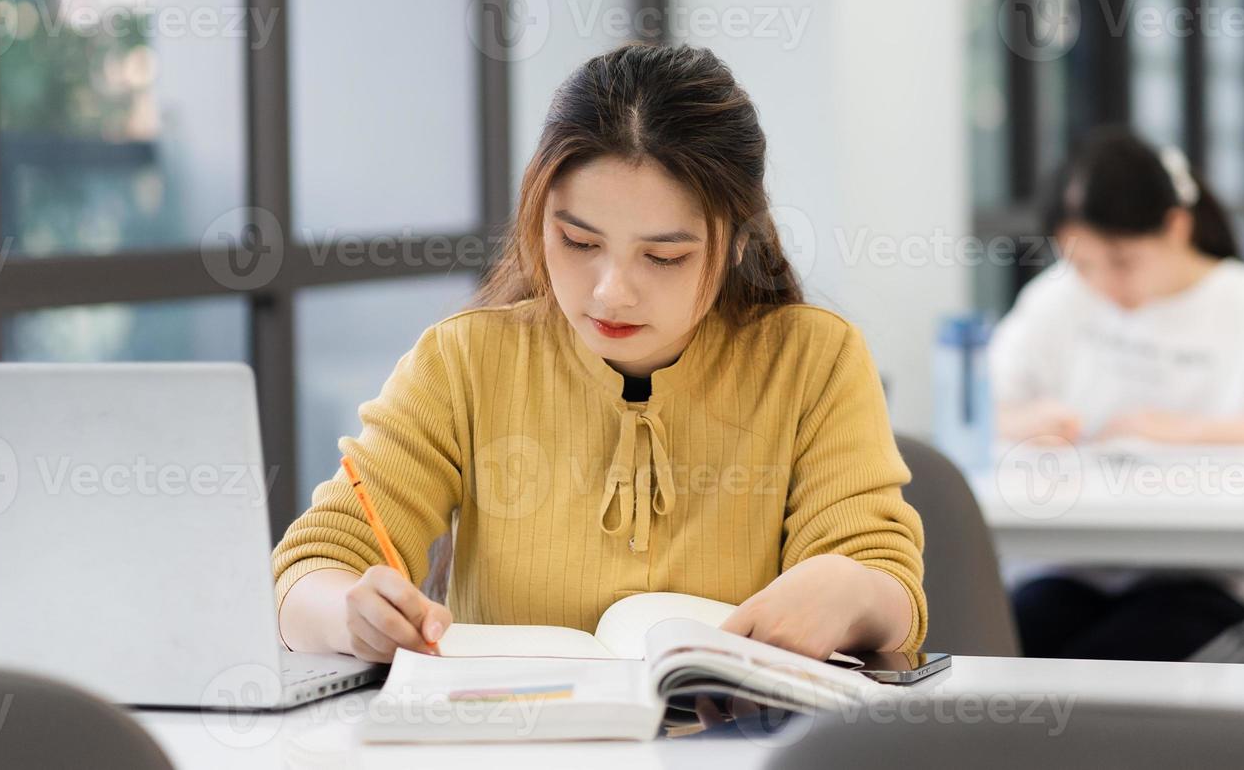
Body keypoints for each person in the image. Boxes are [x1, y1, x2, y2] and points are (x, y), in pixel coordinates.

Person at [272, 43, 926, 664]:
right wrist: (346, 612)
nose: (611, 293)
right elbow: (308, 570)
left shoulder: (812, 360)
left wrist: (851, 591)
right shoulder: (463, 362)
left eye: (663, 256)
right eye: (578, 243)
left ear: (735, 243)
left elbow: (888, 590)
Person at [991, 127, 1244, 662]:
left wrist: (1191, 431)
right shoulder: (1054, 301)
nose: (1105, 284)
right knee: (996, 665)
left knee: (1107, 689)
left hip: (1216, 573)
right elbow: (974, 411)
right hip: (1073, 566)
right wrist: (1026, 421)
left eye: (1124, 261)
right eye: (1082, 265)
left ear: (1176, 227)